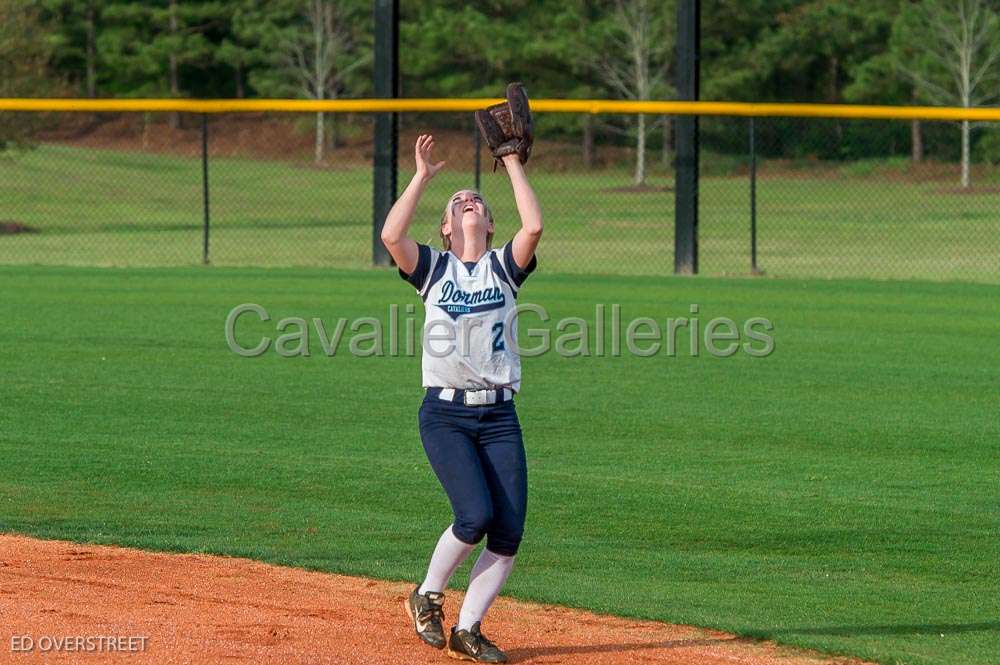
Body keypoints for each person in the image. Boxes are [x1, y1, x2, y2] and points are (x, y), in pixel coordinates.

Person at [381, 133, 542, 663]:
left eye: (478, 200)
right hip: (446, 415)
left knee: (509, 530)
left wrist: (512, 162)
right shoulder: (433, 270)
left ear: (490, 225)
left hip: (499, 415)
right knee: (473, 515)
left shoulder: (503, 268)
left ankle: (469, 629)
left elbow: (534, 226)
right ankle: (427, 593)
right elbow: (390, 235)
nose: (468, 201)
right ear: (446, 228)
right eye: (457, 203)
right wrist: (423, 178)